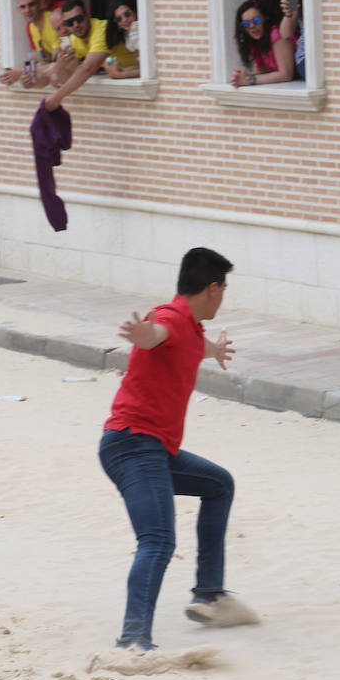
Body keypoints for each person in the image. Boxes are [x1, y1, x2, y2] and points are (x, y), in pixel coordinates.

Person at [97, 247, 258, 652]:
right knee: (158, 540)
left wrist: (215, 351)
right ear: (212, 288)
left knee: (219, 485)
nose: (225, 296)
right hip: (133, 444)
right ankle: (134, 639)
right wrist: (142, 336)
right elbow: (158, 335)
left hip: (153, 449)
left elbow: (190, 346)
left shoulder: (192, 329)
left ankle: (209, 594)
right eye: (224, 288)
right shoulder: (169, 319)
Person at [42, 0, 132, 110]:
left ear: (87, 15)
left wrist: (57, 97)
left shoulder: (102, 29)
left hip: (136, 74)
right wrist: (57, 68)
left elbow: (88, 68)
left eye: (78, 19)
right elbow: (69, 73)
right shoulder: (74, 39)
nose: (75, 25)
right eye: (70, 23)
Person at [0, 0, 59, 87]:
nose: (27, 10)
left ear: (39, 4)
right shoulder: (31, 27)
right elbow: (45, 60)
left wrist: (21, 72)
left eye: (31, 5)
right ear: (18, 10)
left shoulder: (54, 21)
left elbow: (58, 63)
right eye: (23, 7)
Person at [230, 0, 295, 87]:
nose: (252, 26)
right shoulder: (254, 42)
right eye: (246, 23)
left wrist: (249, 80)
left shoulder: (276, 34)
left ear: (266, 18)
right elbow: (265, 72)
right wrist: (243, 76)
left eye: (257, 20)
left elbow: (286, 74)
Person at [101, 0, 141, 79]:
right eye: (119, 19)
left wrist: (119, 75)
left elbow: (148, 71)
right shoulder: (129, 35)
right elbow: (139, 67)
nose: (124, 20)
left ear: (135, 12)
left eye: (127, 14)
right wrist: (121, 70)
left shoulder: (139, 28)